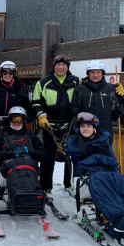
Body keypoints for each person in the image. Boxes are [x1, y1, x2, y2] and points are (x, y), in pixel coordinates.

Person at [65, 112, 124, 239]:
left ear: (95, 128)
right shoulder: (74, 142)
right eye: (82, 126)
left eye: (89, 126)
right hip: (89, 177)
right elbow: (79, 164)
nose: (85, 129)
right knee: (102, 183)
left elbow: (113, 162)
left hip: (109, 173)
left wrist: (94, 159)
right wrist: (99, 158)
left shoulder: (103, 141)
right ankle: (120, 218)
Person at [32, 54, 79, 191]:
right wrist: (41, 116)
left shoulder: (76, 82)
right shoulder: (43, 83)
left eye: (64, 65)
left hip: (70, 125)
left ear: (67, 67)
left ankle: (69, 183)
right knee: (48, 156)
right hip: (50, 125)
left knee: (71, 156)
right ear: (54, 66)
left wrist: (113, 88)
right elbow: (36, 102)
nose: (61, 67)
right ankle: (46, 186)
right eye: (58, 65)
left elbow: (93, 84)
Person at [0, 106, 48, 212]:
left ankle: (33, 192)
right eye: (14, 119)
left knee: (30, 166)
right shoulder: (1, 135)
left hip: (28, 162)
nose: (16, 123)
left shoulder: (30, 135)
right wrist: (10, 153)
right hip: (9, 164)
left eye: (19, 120)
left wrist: (30, 151)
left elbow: (43, 155)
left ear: (24, 121)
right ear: (9, 120)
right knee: (16, 166)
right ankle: (16, 194)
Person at [71, 59, 124, 144]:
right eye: (92, 72)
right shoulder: (80, 89)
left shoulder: (111, 88)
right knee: (86, 156)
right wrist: (82, 120)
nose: (95, 75)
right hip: (85, 133)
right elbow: (74, 108)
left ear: (102, 73)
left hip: (105, 132)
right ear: (88, 73)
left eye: (98, 72)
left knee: (104, 156)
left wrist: (115, 114)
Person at [0, 61, 32, 138]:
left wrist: (29, 115)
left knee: (13, 143)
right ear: (1, 74)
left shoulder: (19, 87)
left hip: (14, 121)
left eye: (10, 73)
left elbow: (26, 103)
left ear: (13, 74)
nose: (8, 75)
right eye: (5, 73)